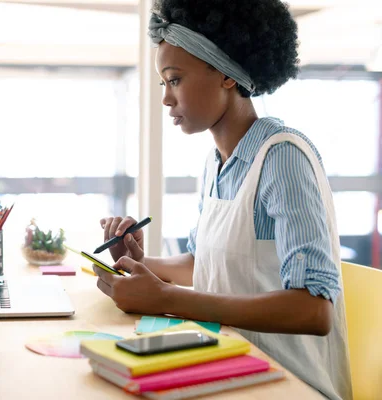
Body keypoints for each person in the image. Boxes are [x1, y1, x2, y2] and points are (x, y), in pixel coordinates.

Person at [93, 1, 352, 399]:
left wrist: (167, 299)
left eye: (174, 79)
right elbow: (203, 266)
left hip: (291, 385)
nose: (165, 99)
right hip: (233, 370)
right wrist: (141, 263)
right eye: (163, 83)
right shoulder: (218, 164)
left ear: (226, 74)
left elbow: (314, 310)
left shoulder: (282, 158)